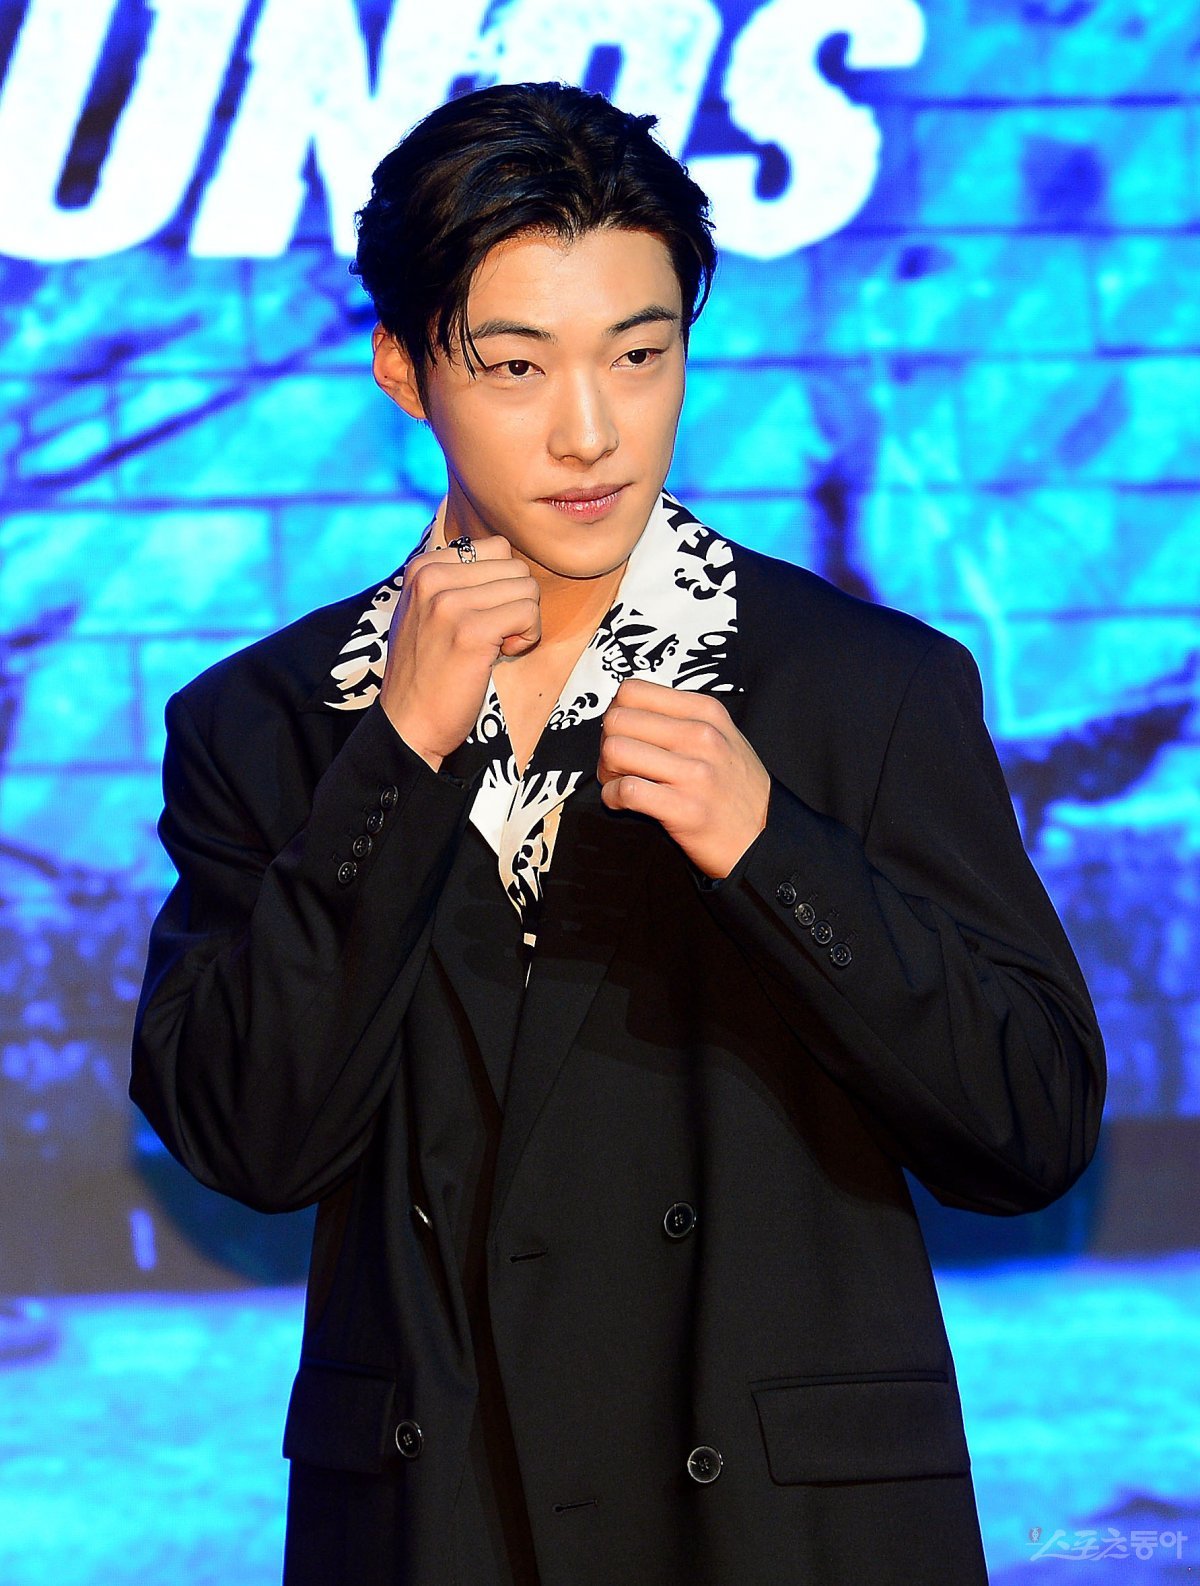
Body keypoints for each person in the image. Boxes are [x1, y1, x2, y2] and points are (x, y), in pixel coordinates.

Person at [130, 80, 1106, 1586]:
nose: (590, 432)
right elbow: (249, 1140)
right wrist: (395, 759)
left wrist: (773, 849)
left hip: (779, 1529)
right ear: (404, 368)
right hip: (441, 1520)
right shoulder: (268, 722)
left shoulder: (863, 685)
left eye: (639, 355)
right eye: (516, 366)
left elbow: (1031, 1125)